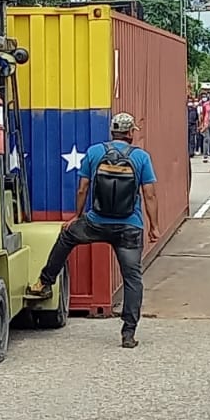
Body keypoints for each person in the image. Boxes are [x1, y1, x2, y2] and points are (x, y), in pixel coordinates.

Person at [29, 112, 159, 349]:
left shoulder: (94, 152)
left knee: (66, 237)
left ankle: (45, 282)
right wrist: (154, 227)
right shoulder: (141, 157)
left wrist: (76, 216)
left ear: (112, 131)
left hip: (96, 222)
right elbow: (149, 194)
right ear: (130, 133)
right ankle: (128, 334)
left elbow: (82, 188)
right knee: (133, 279)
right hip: (129, 226)